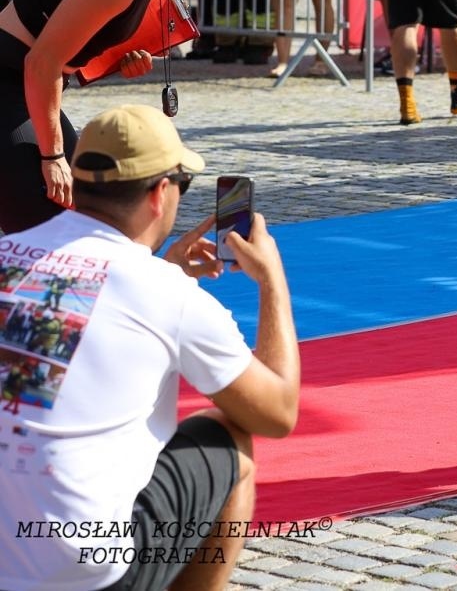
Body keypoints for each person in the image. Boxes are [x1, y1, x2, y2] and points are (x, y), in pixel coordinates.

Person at [0, 103, 299, 591]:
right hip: (81, 570)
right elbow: (277, 413)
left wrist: (164, 270)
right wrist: (273, 282)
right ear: (161, 193)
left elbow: (64, 323)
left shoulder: (8, 252)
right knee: (227, 437)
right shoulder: (163, 290)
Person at [0, 0, 259, 233]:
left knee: (82, 224)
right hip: (14, 83)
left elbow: (61, 46)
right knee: (58, 233)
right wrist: (52, 156)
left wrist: (115, 58)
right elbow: (42, 62)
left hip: (20, 85)